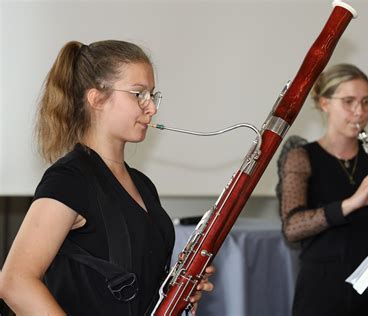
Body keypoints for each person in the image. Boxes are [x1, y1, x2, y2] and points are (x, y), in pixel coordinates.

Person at [0, 40, 214, 316]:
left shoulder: (143, 185)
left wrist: (178, 294)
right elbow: (15, 281)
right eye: (139, 94)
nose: (151, 108)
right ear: (96, 98)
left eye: (152, 95)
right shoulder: (70, 179)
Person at [278, 63, 368, 316]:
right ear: (325, 103)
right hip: (322, 291)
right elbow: (292, 227)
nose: (359, 112)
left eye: (366, 102)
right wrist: (352, 203)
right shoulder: (301, 156)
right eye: (349, 101)